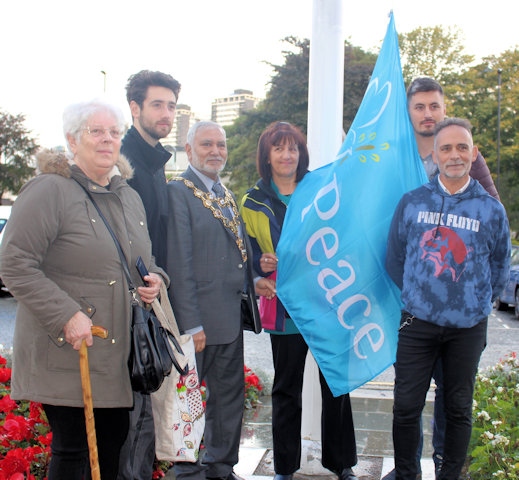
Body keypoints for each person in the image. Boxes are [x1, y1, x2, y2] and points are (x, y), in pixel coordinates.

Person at [0, 99, 167, 479]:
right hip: (69, 350)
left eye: (113, 132)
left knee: (111, 447)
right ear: (73, 140)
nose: (107, 140)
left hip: (117, 354)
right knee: (75, 451)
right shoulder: (49, 190)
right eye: (96, 131)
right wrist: (65, 315)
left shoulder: (129, 196)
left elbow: (145, 260)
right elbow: (13, 263)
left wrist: (157, 280)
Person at [385, 117, 510, 480]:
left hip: (467, 329)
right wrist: (418, 294)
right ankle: (408, 474)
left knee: (458, 409)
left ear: (472, 153)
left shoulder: (490, 210)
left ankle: (449, 474)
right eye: (446, 148)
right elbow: (395, 258)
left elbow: (500, 265)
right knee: (406, 407)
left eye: (462, 147)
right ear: (435, 155)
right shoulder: (411, 202)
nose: (454, 155)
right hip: (417, 324)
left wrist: (476, 302)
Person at [240, 121, 359, 480]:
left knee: (336, 385)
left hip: (327, 304)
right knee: (286, 389)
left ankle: (342, 464)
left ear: (301, 153)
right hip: (285, 307)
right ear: (267, 155)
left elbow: (342, 234)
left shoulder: (320, 188)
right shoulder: (252, 201)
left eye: (293, 148)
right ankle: (285, 467)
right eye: (279, 148)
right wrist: (260, 265)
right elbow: (247, 254)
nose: (287, 155)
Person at [166, 121, 274, 480]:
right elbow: (179, 264)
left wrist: (254, 280)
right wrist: (191, 323)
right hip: (196, 324)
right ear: (189, 148)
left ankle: (221, 467)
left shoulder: (224, 194)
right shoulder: (178, 192)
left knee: (228, 399)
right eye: (207, 144)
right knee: (189, 402)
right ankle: (187, 471)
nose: (216, 151)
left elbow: (236, 252)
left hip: (229, 319)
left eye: (221, 145)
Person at [117, 69, 180, 480]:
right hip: (128, 307)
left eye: (172, 105)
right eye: (157, 104)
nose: (166, 113)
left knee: (146, 419)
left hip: (152, 297)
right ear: (135, 108)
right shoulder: (124, 162)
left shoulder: (155, 163)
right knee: (135, 418)